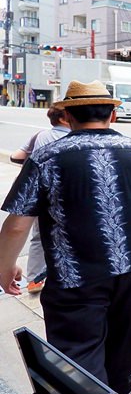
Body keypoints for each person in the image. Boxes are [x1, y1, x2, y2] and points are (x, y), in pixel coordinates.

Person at [0, 80, 131, 394]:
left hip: (75, 271)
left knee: (77, 343)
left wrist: (4, 266)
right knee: (123, 331)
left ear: (68, 116)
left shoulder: (47, 156)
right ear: (112, 116)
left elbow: (18, 225)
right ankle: (119, 389)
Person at [10, 106, 71, 293]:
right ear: (64, 118)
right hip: (68, 194)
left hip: (41, 193)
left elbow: (15, 156)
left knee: (39, 236)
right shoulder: (75, 138)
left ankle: (34, 280)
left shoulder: (40, 135)